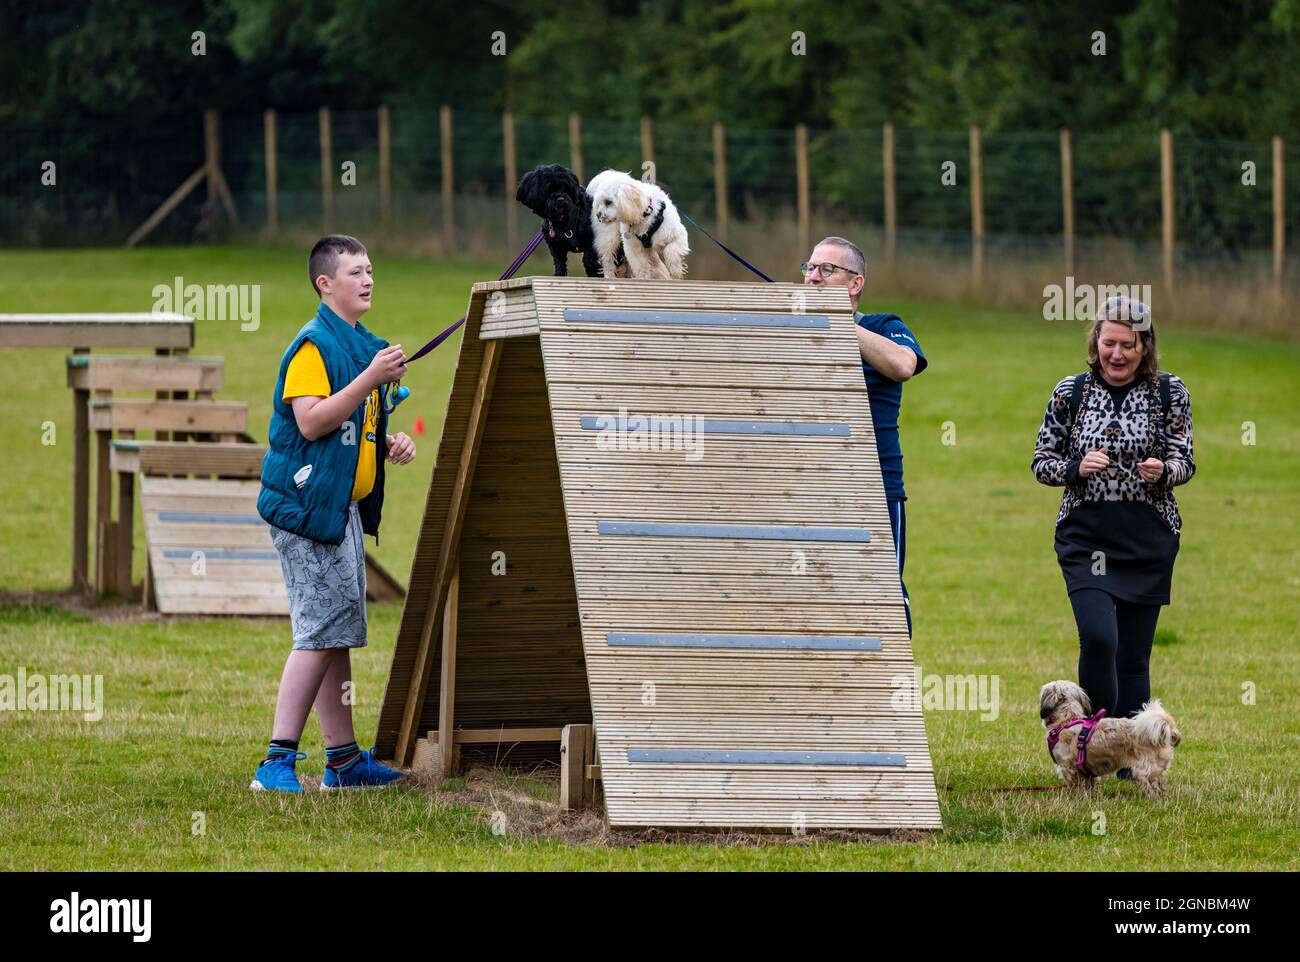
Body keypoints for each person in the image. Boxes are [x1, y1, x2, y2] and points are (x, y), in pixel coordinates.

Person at [250, 234, 417, 793]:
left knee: (336, 630)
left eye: (370, 269)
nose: (367, 279)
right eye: (354, 272)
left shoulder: (360, 343)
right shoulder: (312, 347)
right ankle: (275, 763)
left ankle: (343, 763)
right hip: (305, 510)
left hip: (339, 510)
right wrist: (370, 377)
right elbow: (313, 422)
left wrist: (388, 445)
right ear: (325, 284)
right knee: (318, 631)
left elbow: (355, 428)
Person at [1031, 297, 1195, 765]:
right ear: (1095, 342)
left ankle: (1133, 760)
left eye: (1128, 344)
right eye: (1109, 343)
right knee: (1101, 639)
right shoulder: (1072, 391)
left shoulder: (1170, 392)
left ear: (1145, 347)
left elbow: (1187, 460)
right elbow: (1041, 463)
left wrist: (1164, 470)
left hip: (1148, 538)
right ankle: (1088, 749)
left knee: (1134, 657)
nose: (1117, 354)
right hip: (1086, 539)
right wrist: (1075, 467)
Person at [803, 236, 927, 636]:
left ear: (855, 284)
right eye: (809, 269)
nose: (814, 278)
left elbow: (903, 364)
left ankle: (895, 691)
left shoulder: (883, 326)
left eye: (827, 269)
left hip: (875, 488)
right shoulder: (791, 329)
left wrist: (838, 322)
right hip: (808, 486)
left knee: (884, 595)